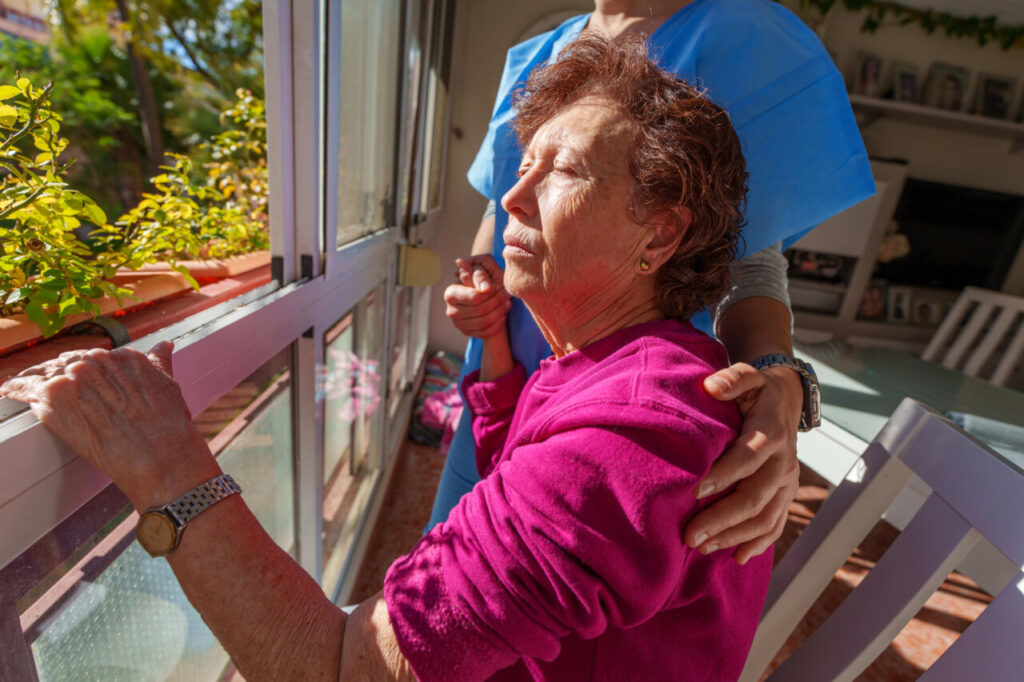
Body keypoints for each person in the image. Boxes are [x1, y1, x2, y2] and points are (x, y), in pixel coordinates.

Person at [4, 37, 771, 681]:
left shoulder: (627, 433)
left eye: (564, 170)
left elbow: (341, 667)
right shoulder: (633, 364)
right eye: (524, 164)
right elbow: (524, 458)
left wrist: (166, 460)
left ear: (660, 237)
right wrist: (499, 341)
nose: (513, 197)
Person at [431, 0, 875, 565]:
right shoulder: (537, 52)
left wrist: (778, 382)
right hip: (501, 385)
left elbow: (749, 259)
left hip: (615, 407)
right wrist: (481, 281)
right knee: (453, 557)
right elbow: (500, 204)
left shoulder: (744, 43)